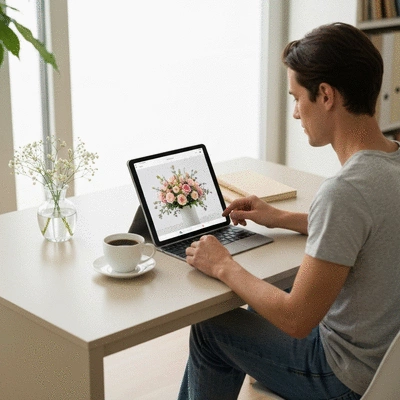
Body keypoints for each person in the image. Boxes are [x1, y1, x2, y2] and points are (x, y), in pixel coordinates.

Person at [177, 22, 400, 400]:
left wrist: (222, 265)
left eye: (297, 97)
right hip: (386, 367)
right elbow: (372, 227)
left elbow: (296, 320)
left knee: (210, 330)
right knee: (272, 285)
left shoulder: (344, 192)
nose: (296, 113)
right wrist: (281, 218)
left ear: (326, 95)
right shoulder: (391, 160)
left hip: (344, 377)